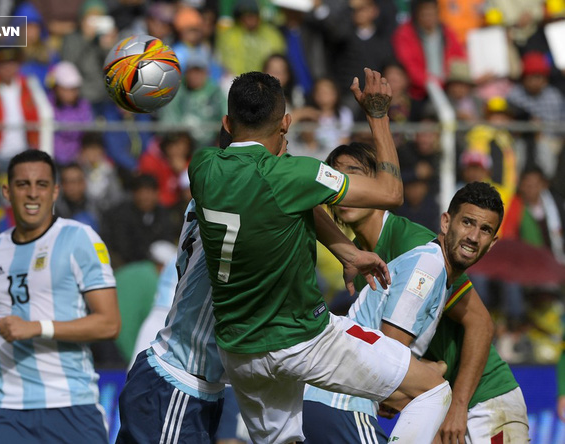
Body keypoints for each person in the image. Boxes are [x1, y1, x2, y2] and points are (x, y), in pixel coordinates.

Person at [188, 69, 452, 443]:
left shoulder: (201, 167)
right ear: (286, 123)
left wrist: (345, 250)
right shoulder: (294, 174)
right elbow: (391, 192)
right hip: (303, 340)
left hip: (239, 351)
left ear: (227, 123)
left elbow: (281, 196)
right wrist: (377, 114)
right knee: (432, 388)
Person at [117, 126, 389, 443]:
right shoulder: (244, 210)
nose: (284, 157)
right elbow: (385, 193)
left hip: (193, 382)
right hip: (178, 380)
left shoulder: (212, 197)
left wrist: (347, 251)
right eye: (279, 149)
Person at [303, 144, 528, 443]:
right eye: (338, 178)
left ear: (378, 186)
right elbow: (389, 359)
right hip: (426, 395)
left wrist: (455, 405)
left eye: (354, 176)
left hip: (481, 398)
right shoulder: (362, 261)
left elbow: (481, 323)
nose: (347, 188)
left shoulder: (417, 246)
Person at [0, 150, 120, 444]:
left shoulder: (79, 238)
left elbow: (109, 324)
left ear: (55, 191)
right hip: (6, 408)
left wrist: (37, 327)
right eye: (23, 184)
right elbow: (5, 337)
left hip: (71, 402)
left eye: (42, 184)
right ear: (7, 191)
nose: (33, 194)